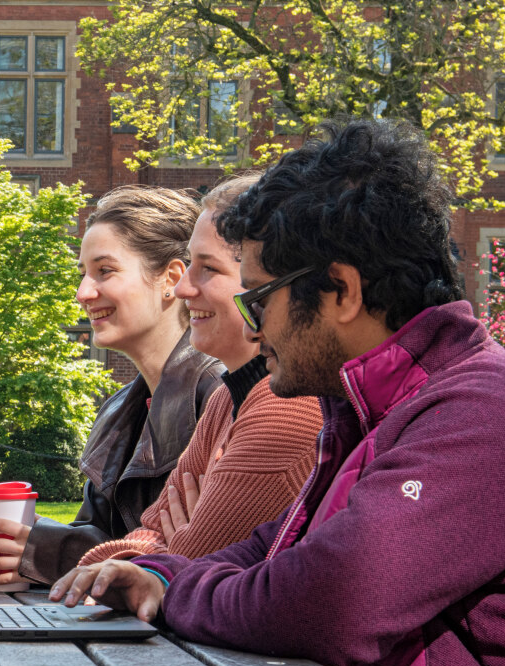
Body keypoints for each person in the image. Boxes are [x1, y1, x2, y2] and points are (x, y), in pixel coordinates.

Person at [51, 120, 505, 666]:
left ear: (341, 291)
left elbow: (333, 597)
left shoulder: (485, 409)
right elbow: (281, 546)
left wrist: (175, 591)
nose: (258, 331)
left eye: (260, 301)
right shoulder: (375, 408)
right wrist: (162, 571)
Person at [0, 185, 226, 590]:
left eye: (105, 271)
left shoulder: (219, 395)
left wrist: (37, 552)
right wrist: (4, 552)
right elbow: (102, 535)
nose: (84, 293)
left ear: (171, 278)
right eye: (83, 273)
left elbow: (190, 550)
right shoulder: (122, 408)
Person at [76, 175, 322, 566]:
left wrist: (166, 553)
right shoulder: (228, 397)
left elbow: (181, 567)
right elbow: (149, 541)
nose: (185, 288)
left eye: (207, 269)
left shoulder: (287, 407)